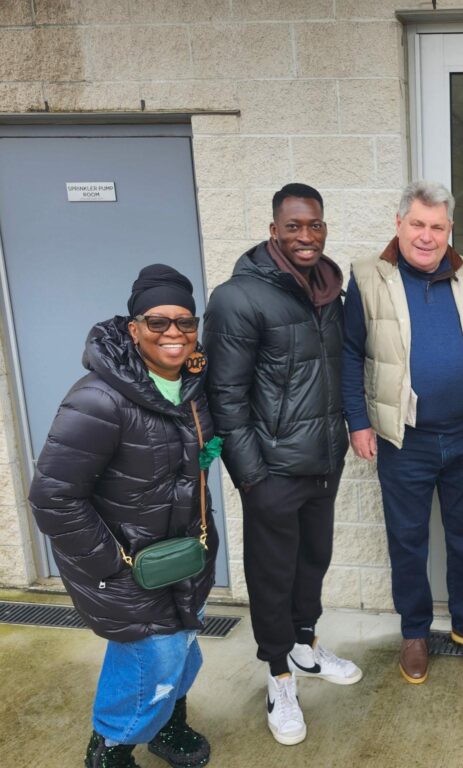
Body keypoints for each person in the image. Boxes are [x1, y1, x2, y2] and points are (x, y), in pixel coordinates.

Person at [29, 264, 218, 768]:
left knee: (182, 651)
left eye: (185, 321)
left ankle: (168, 726)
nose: (173, 332)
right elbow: (53, 495)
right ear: (133, 329)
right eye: (158, 322)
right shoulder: (99, 398)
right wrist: (114, 565)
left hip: (182, 561)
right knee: (146, 662)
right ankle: (110, 747)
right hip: (129, 568)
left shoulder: (194, 391)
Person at [203, 183, 360, 746]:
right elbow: (225, 397)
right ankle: (278, 675)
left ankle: (306, 644)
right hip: (270, 471)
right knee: (272, 576)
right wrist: (251, 477)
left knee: (313, 560)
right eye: (293, 226)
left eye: (314, 225)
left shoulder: (330, 292)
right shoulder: (237, 298)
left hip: (322, 460)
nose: (305, 236)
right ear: (273, 230)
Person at [342, 180, 463, 685]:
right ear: (399, 224)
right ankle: (415, 632)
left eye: (437, 226)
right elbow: (351, 355)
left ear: (449, 230)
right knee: (408, 540)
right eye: (417, 223)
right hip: (404, 440)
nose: (426, 235)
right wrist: (357, 420)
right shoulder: (368, 277)